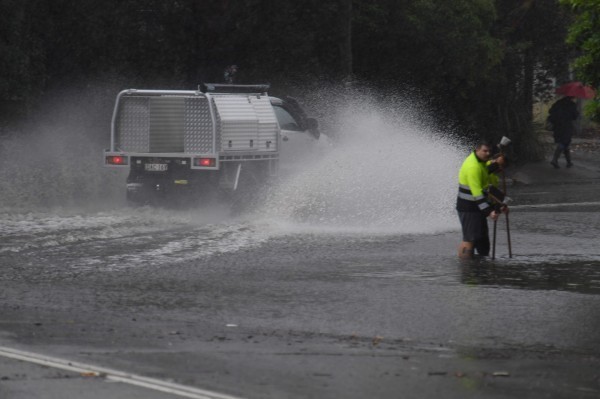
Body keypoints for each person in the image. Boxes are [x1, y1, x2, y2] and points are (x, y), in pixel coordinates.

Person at [456, 141, 508, 259]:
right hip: (468, 208)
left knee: (482, 239)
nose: (487, 153)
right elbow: (477, 193)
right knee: (470, 238)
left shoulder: (482, 162)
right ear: (477, 150)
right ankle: (466, 269)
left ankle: (480, 267)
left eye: (489, 151)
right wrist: (489, 212)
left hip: (477, 207)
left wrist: (501, 205)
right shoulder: (472, 167)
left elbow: (487, 175)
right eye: (484, 151)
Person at [548, 96, 578, 168]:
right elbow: (575, 116)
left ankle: (569, 162)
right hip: (566, 126)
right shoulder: (572, 104)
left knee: (565, 143)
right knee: (564, 142)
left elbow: (550, 111)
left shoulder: (558, 103)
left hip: (557, 126)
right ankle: (554, 159)